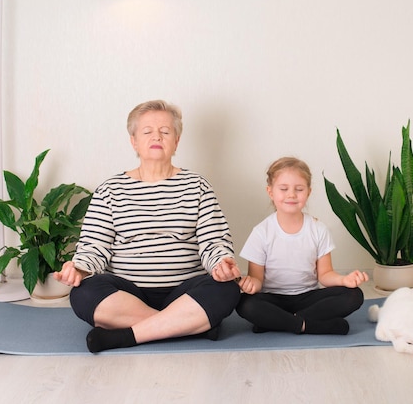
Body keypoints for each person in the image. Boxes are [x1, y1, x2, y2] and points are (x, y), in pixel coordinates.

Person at [55, 99, 242, 353]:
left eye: (165, 132)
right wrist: (79, 268)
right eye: (147, 132)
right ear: (134, 141)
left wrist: (221, 264)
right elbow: (94, 246)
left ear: (176, 141)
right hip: (127, 294)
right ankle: (187, 325)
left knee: (226, 289)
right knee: (83, 293)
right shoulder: (111, 190)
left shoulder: (197, 186)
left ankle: (126, 335)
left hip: (184, 291)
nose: (157, 136)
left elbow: (214, 242)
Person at [236, 157, 369, 335]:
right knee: (245, 304)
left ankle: (276, 322)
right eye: (283, 189)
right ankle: (309, 325)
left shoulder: (318, 229)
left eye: (299, 189)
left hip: (309, 297)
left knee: (354, 295)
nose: (291, 194)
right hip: (273, 299)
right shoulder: (261, 232)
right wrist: (249, 284)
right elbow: (257, 280)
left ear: (308, 192)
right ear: (270, 192)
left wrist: (344, 280)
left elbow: (325, 275)